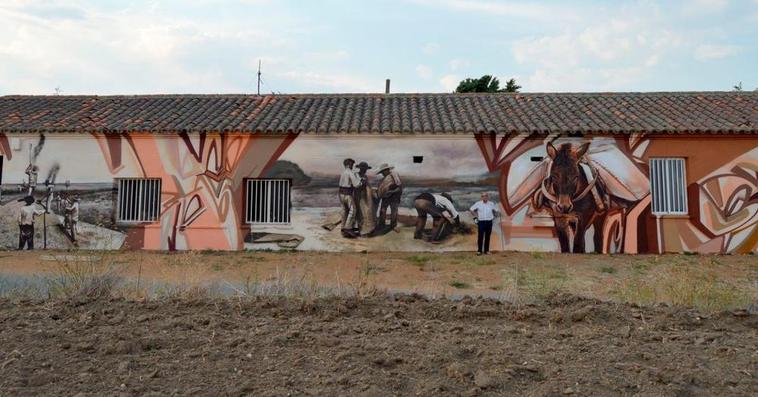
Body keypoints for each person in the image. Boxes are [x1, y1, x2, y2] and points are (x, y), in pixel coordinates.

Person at [375, 163, 402, 231]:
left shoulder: (394, 175)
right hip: (386, 197)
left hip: (394, 196)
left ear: (387, 170)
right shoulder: (383, 179)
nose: (382, 174)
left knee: (394, 211)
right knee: (382, 210)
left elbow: (399, 187)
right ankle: (381, 225)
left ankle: (393, 225)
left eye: (383, 172)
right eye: (382, 172)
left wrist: (391, 192)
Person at [339, 158, 361, 238]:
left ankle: (343, 228)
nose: (352, 166)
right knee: (353, 210)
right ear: (348, 165)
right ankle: (348, 228)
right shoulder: (350, 172)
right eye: (352, 164)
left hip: (341, 194)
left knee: (344, 211)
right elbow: (356, 185)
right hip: (348, 194)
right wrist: (361, 180)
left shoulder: (343, 173)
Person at [353, 162, 376, 236]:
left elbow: (368, 185)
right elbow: (355, 185)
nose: (365, 170)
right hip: (358, 195)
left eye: (365, 169)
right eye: (363, 169)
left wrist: (371, 192)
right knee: (360, 212)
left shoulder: (365, 176)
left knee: (367, 212)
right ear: (360, 169)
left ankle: (367, 229)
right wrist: (361, 184)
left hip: (365, 196)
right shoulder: (356, 175)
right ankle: (361, 230)